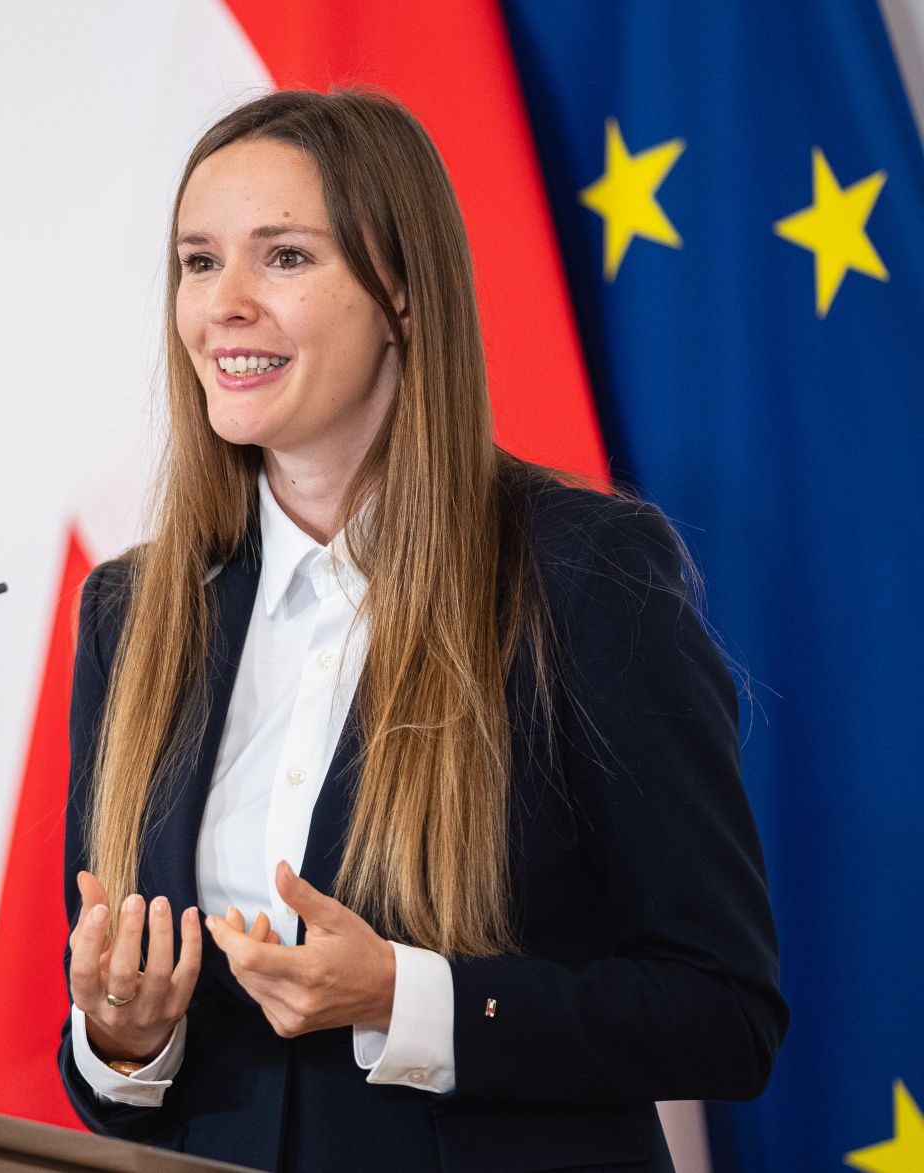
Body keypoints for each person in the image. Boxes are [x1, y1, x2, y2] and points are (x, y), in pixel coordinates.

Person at [56, 87, 787, 1173]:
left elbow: (720, 1012)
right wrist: (122, 1037)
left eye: (284, 257)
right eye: (197, 262)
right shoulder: (131, 613)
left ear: (399, 291)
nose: (224, 305)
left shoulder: (585, 575)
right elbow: (116, 1072)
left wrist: (412, 1000)